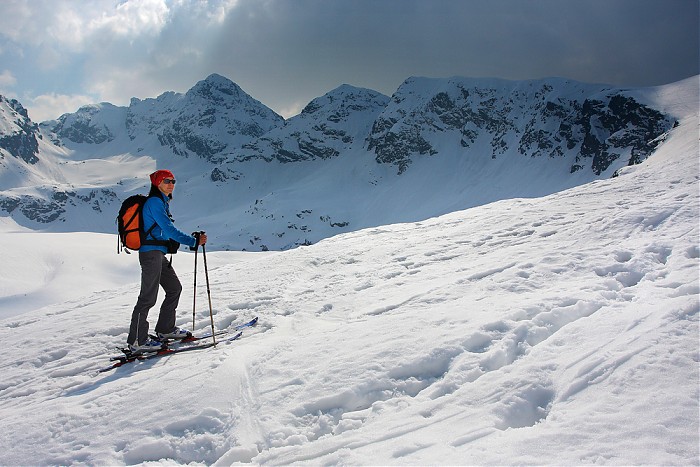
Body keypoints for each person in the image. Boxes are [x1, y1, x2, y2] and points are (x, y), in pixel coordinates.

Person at [127, 169, 207, 353]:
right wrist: (193, 241)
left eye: (173, 181)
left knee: (174, 288)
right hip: (150, 255)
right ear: (157, 183)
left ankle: (165, 329)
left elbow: (162, 231)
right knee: (147, 298)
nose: (171, 184)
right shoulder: (155, 202)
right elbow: (169, 229)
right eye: (166, 181)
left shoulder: (162, 202)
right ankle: (137, 341)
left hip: (157, 254)